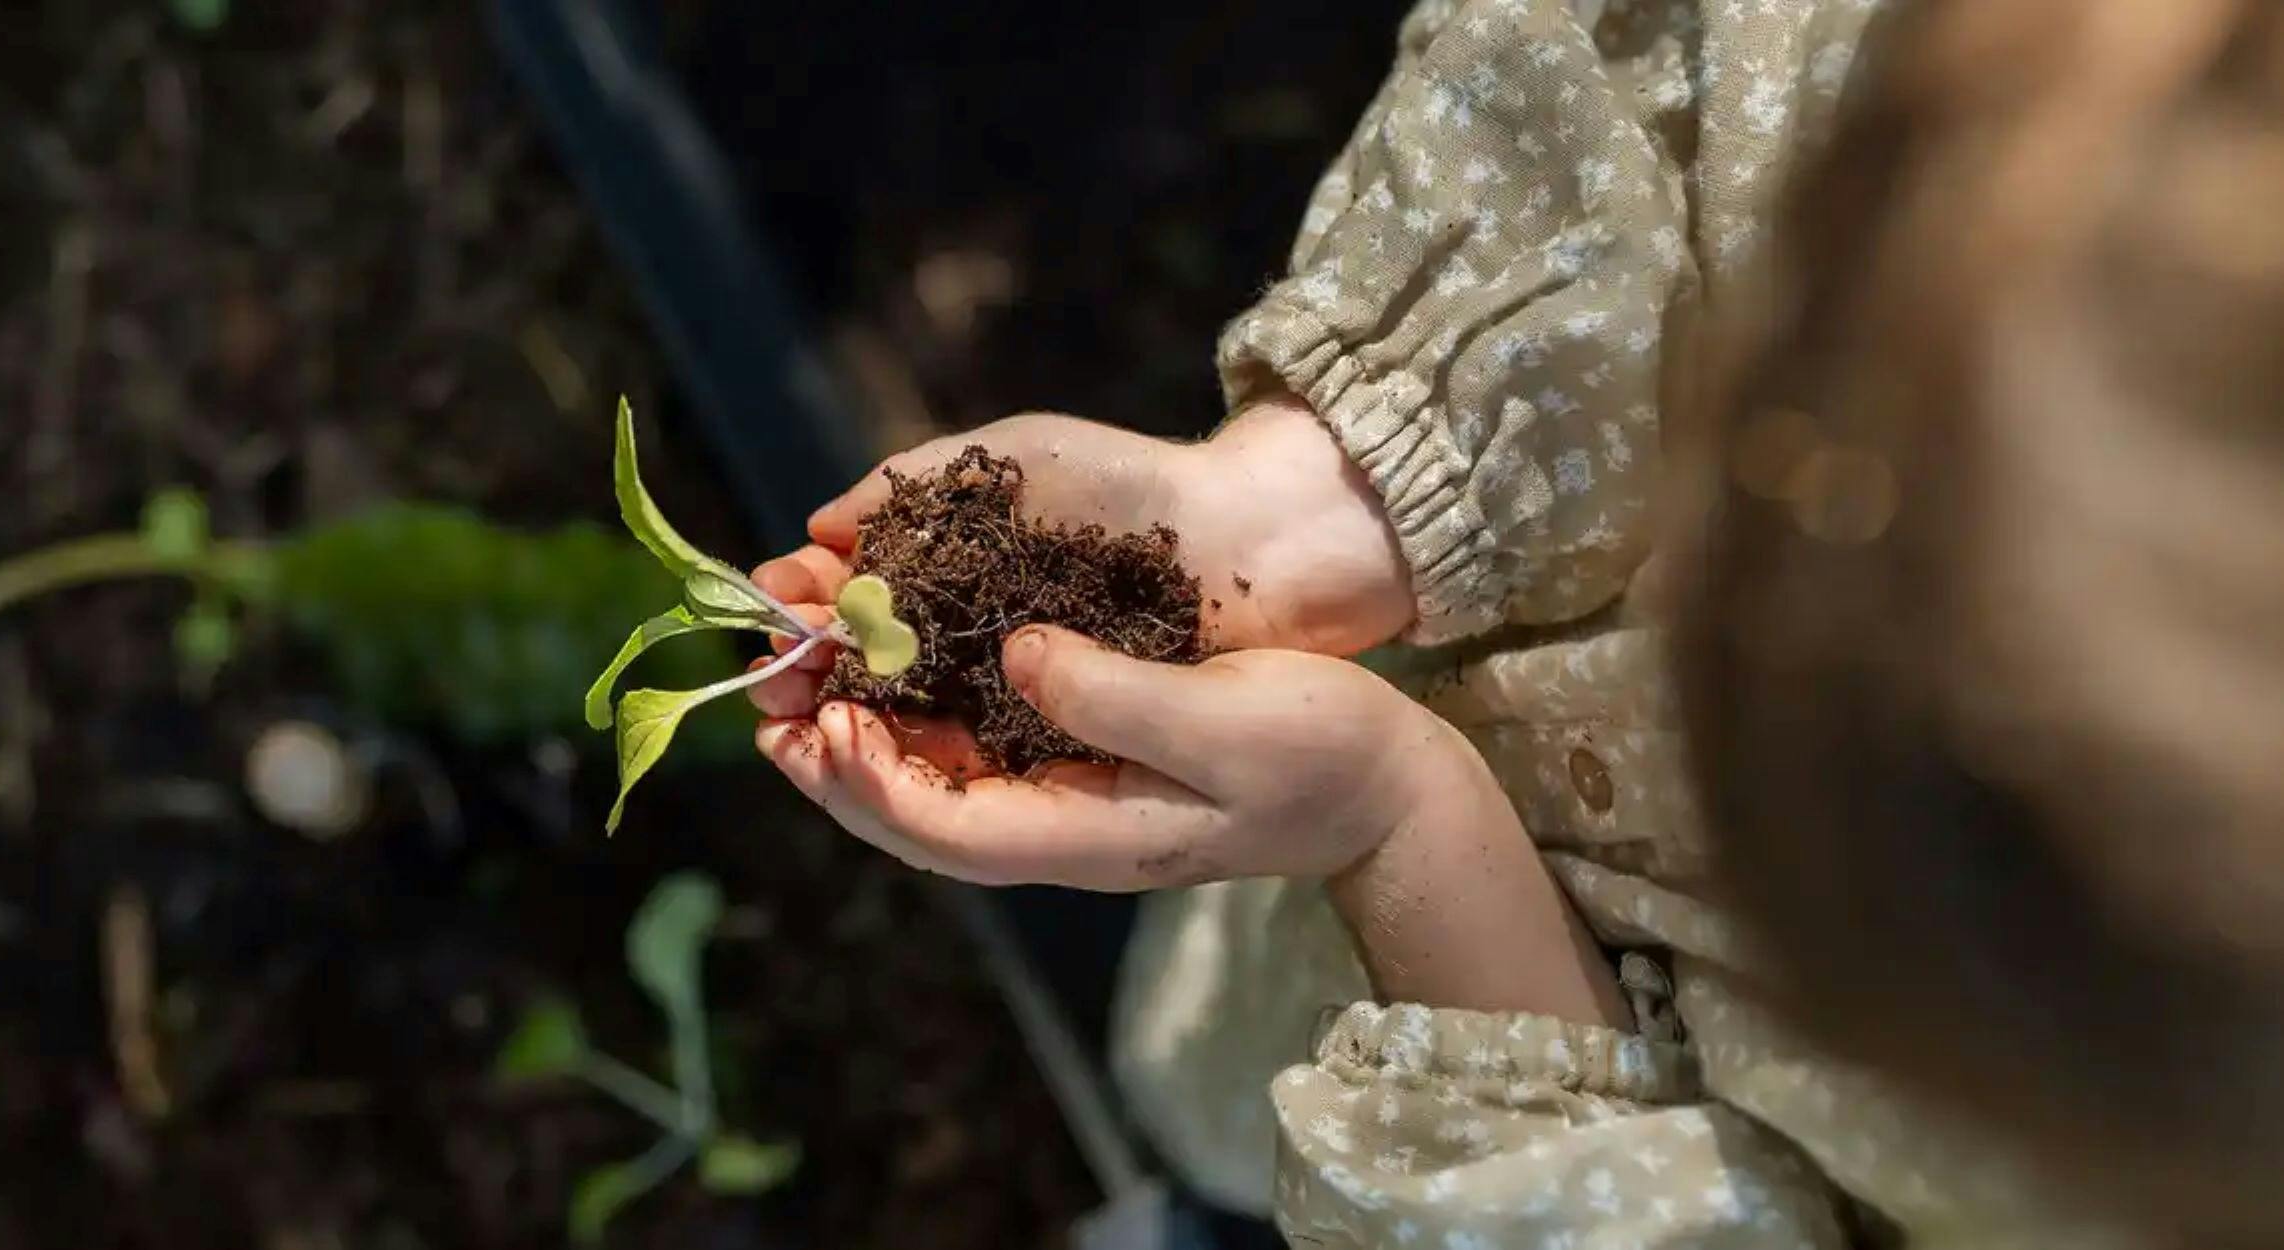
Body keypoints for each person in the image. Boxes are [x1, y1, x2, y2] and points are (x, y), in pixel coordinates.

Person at [747, 0, 2284, 1243]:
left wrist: (1398, 828)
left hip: (1482, 1153)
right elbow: (1672, 81)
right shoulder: (2110, 105)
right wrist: (1318, 508)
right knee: (1220, 1077)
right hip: (1312, 884)